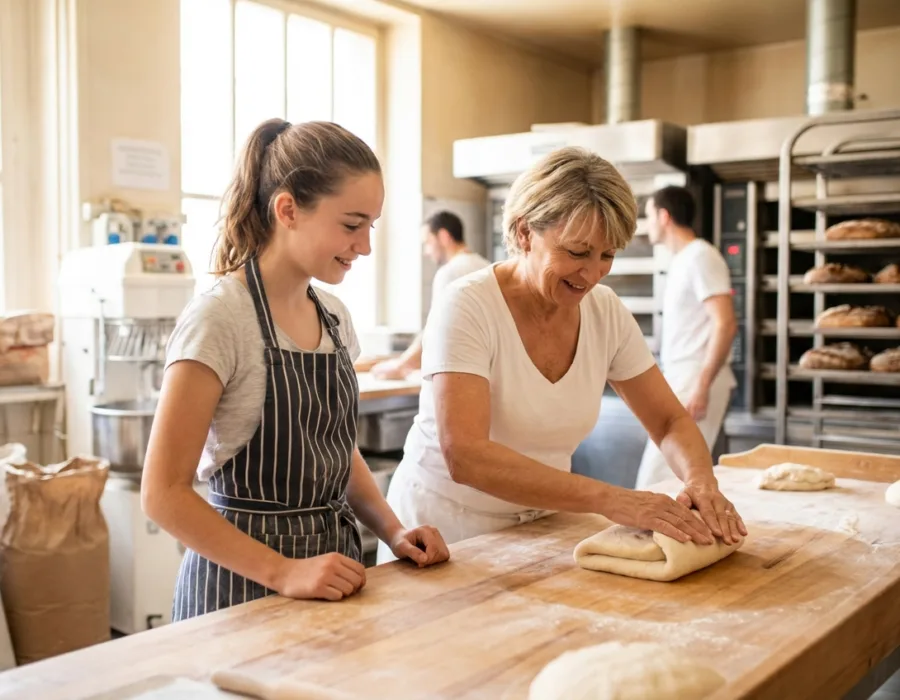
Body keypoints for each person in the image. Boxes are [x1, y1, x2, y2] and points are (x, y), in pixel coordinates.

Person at [376, 147, 747, 564]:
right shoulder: (468, 305)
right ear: (524, 233)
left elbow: (668, 420)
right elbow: (466, 454)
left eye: (607, 255)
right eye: (577, 252)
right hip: (444, 533)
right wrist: (612, 499)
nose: (592, 274)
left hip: (542, 529)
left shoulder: (605, 313)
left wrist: (701, 481)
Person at [142, 119, 449, 621]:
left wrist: (393, 532)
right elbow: (162, 494)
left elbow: (335, 452)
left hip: (333, 577)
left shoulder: (333, 316)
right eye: (351, 225)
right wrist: (284, 571)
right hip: (240, 594)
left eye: (370, 226)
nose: (365, 246)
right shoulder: (220, 318)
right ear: (287, 210)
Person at [635, 186, 738, 489]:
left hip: (696, 377)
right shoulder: (682, 260)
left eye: (649, 216)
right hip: (682, 376)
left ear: (664, 216)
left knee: (660, 478)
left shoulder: (701, 256)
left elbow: (725, 323)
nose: (647, 224)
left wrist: (701, 386)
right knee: (669, 479)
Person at [370, 211, 490, 380]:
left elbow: (435, 330)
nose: (426, 251)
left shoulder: (451, 272)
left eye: (428, 242)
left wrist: (401, 366)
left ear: (443, 236)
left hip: (457, 373)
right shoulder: (486, 266)